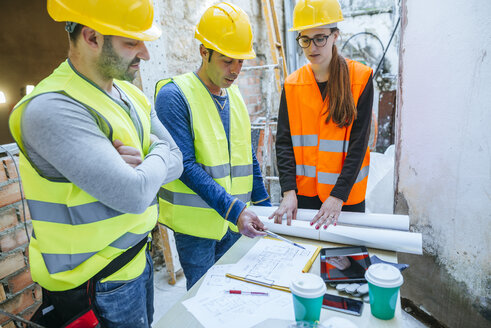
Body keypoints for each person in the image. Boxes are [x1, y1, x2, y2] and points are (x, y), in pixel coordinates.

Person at [8, 0, 183, 327]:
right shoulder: (52, 107)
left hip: (135, 264)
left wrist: (144, 164)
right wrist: (155, 158)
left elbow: (178, 161)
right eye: (131, 42)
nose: (145, 54)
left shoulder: (132, 96)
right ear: (91, 38)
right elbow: (134, 193)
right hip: (96, 284)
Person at [155, 2, 270, 290]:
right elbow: (185, 166)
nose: (236, 70)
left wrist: (267, 207)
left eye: (241, 61)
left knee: (234, 294)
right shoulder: (174, 96)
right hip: (197, 231)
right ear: (203, 51)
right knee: (204, 299)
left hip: (233, 223)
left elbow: (248, 158)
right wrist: (235, 210)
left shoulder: (236, 97)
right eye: (227, 60)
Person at [269, 0, 374, 229]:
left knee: (347, 263)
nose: (312, 47)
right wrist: (288, 191)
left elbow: (359, 144)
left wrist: (338, 197)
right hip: (303, 197)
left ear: (335, 35)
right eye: (305, 39)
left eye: (320, 38)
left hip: (345, 199)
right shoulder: (292, 84)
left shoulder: (360, 78)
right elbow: (284, 142)